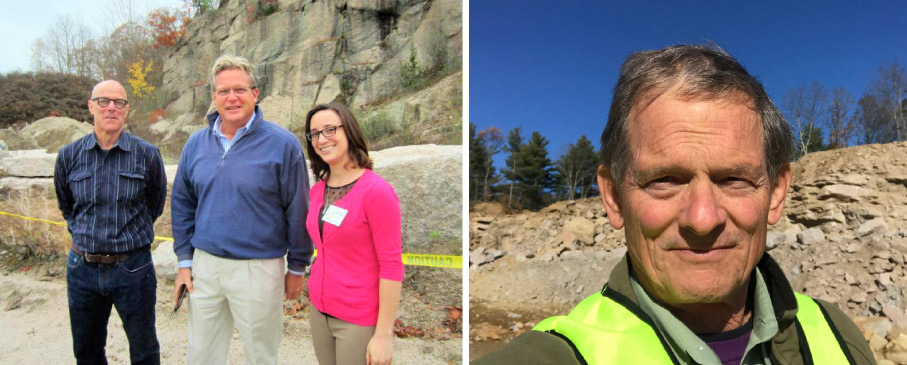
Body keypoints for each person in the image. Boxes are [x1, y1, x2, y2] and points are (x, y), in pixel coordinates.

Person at [474, 44, 875, 364]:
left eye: (733, 179)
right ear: (613, 196)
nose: (702, 219)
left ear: (775, 192)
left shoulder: (837, 335)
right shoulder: (554, 356)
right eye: (665, 180)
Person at [171, 55, 312, 364]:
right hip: (205, 266)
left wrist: (297, 266)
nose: (231, 97)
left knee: (261, 354)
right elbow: (182, 203)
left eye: (239, 89)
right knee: (201, 353)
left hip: (258, 268)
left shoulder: (283, 145)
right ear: (213, 97)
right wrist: (184, 261)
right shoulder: (196, 145)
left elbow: (299, 209)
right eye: (223, 91)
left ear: (255, 94)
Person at [54, 80, 167, 364]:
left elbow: (155, 205)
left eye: (119, 102)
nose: (111, 108)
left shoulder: (147, 155)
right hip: (83, 270)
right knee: (87, 351)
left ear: (127, 110)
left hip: (133, 268)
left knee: (144, 351)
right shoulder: (69, 156)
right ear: (91, 106)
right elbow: (67, 206)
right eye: (103, 101)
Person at [304, 102, 404, 365]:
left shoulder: (376, 192)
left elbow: (392, 266)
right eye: (314, 134)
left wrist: (383, 335)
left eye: (329, 129)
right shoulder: (317, 192)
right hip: (320, 312)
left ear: (348, 131)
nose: (321, 139)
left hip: (357, 320)